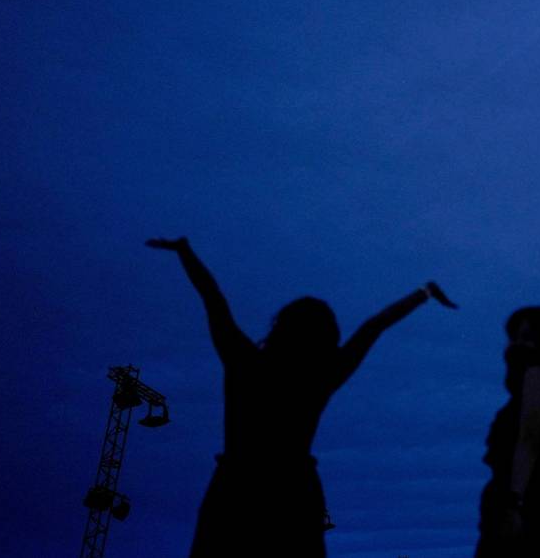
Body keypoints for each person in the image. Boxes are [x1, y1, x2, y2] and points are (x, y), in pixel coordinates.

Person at [146, 236, 456, 558]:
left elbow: (213, 299)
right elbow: (374, 327)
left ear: (280, 327)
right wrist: (424, 293)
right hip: (295, 491)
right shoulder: (323, 375)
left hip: (236, 487)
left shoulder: (244, 361)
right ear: (328, 336)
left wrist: (185, 252)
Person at [476, 307, 540, 558]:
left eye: (526, 337)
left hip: (517, 502)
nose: (515, 345)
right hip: (535, 503)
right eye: (514, 337)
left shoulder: (536, 376)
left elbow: (528, 440)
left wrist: (514, 502)